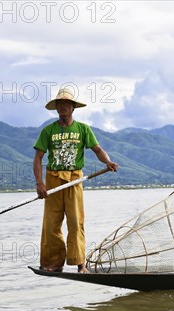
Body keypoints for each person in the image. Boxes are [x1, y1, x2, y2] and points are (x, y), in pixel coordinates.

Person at [33, 87, 118, 273]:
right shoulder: (48, 131)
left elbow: (97, 149)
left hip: (74, 179)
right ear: (56, 108)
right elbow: (38, 158)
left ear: (73, 107)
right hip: (53, 179)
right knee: (51, 223)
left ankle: (80, 264)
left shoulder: (82, 129)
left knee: (75, 221)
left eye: (67, 104)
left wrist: (108, 162)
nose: (63, 107)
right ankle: (53, 264)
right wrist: (40, 183)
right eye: (60, 104)